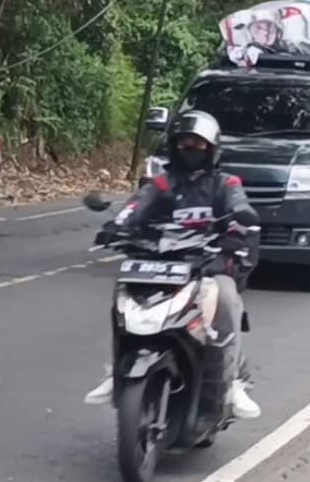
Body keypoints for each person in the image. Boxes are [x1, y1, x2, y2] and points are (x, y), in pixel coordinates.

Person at [83, 110, 262, 420]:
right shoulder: (163, 184)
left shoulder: (225, 183)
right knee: (123, 297)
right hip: (161, 262)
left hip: (208, 264)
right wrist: (117, 226)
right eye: (184, 144)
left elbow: (240, 209)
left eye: (198, 145)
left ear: (212, 149)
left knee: (225, 296)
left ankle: (233, 383)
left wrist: (233, 239)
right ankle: (117, 373)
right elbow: (136, 206)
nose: (190, 150)